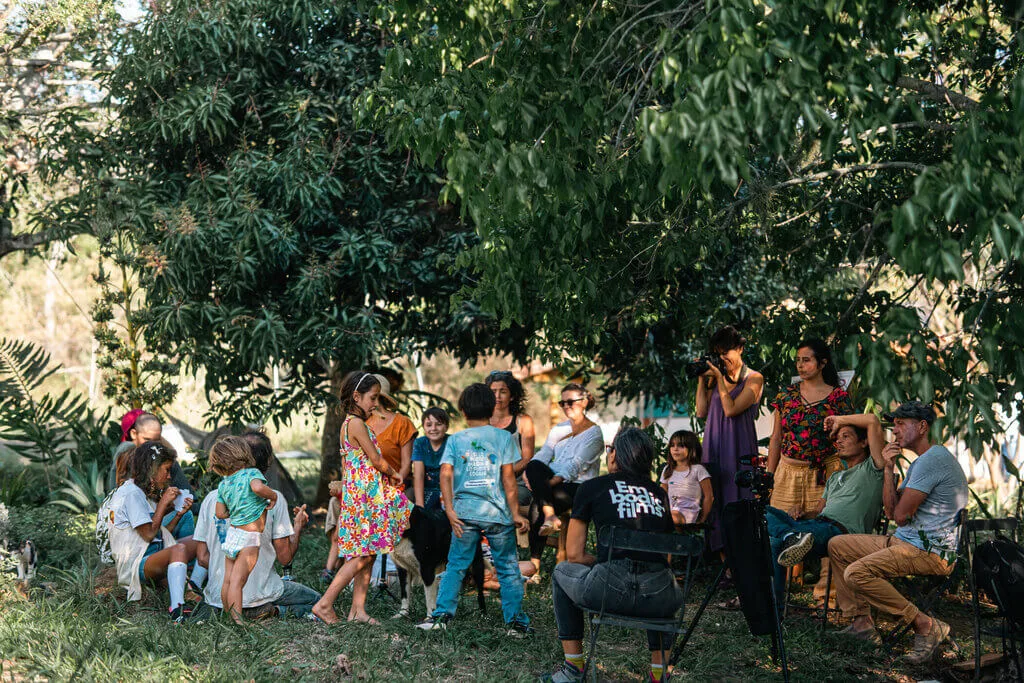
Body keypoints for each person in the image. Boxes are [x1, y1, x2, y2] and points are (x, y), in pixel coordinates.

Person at [827, 401, 968, 664]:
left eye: (902, 424)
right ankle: (862, 625)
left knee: (856, 573)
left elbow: (900, 517)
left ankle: (925, 625)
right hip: (906, 541)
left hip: (929, 552)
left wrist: (896, 501)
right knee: (838, 544)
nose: (895, 431)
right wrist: (889, 469)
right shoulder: (920, 463)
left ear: (923, 427)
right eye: (894, 425)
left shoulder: (933, 460)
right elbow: (892, 512)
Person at [542, 427, 684, 683]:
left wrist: (605, 563)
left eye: (611, 448)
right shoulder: (659, 494)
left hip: (608, 591)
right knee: (663, 583)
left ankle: (573, 668)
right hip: (660, 596)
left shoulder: (593, 488)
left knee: (561, 570)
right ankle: (658, 674)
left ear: (616, 455)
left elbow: (573, 554)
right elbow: (667, 558)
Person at [416, 383, 531, 635]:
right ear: (492, 409)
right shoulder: (503, 437)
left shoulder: (456, 439)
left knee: (455, 565)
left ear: (462, 411)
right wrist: (515, 513)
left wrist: (449, 510)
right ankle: (515, 624)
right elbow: (509, 480)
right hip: (498, 515)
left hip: (463, 514)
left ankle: (441, 617)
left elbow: (445, 475)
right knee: (508, 568)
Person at [313, 371, 412, 625]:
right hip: (363, 499)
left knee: (368, 553)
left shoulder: (350, 424)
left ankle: (358, 610)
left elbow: (351, 464)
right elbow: (376, 460)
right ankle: (325, 603)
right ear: (356, 396)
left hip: (363, 495)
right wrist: (394, 474)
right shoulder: (355, 424)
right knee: (361, 555)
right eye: (372, 397)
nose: (374, 403)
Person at [193, 429, 319, 620]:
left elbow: (202, 558)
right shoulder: (272, 498)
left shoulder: (213, 496)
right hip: (260, 591)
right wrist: (298, 526)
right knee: (316, 601)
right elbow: (285, 559)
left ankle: (229, 613)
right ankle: (271, 611)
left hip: (217, 598)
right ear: (267, 463)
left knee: (231, 579)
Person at [765, 412, 885, 610]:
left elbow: (872, 420)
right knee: (763, 512)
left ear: (864, 443)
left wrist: (839, 420)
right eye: (837, 439)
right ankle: (774, 607)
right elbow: (818, 512)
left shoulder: (872, 469)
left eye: (846, 437)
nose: (839, 442)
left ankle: (774, 607)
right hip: (818, 526)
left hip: (841, 533)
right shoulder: (834, 478)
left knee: (777, 541)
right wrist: (800, 512)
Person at [107, 441, 198, 621]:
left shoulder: (142, 492)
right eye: (166, 470)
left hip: (152, 553)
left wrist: (177, 514)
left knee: (200, 540)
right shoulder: (131, 494)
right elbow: (149, 534)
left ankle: (192, 585)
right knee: (179, 550)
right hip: (136, 564)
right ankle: (177, 608)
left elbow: (159, 535)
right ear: (152, 469)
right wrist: (163, 504)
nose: (169, 475)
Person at [694, 326, 763, 553]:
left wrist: (719, 379)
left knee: (739, 496)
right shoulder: (716, 379)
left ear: (740, 349)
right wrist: (702, 379)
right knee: (716, 495)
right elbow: (701, 412)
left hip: (738, 445)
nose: (723, 358)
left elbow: (731, 409)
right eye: (718, 353)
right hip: (714, 444)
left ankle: (742, 559)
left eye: (726, 352)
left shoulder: (754, 378)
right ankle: (723, 560)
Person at [768, 338, 854, 515]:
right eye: (798, 360)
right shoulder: (786, 395)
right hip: (786, 475)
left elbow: (848, 438)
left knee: (820, 531)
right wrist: (769, 476)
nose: (800, 365)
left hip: (824, 476)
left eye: (806, 360)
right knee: (780, 529)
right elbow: (776, 437)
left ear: (822, 363)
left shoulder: (838, 397)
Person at [525, 384, 604, 571]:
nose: (566, 406)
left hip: (579, 486)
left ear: (584, 402)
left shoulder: (594, 434)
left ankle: (533, 566)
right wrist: (531, 474)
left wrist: (543, 485)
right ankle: (550, 515)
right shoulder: (559, 429)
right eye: (563, 402)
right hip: (552, 480)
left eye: (570, 402)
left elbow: (574, 467)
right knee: (534, 464)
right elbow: (544, 454)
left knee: (538, 503)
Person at [207, 436, 279, 623]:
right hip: (249, 538)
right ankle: (238, 622)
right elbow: (257, 488)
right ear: (243, 454)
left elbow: (220, 513)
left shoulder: (223, 485)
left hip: (233, 535)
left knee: (228, 580)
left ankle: (227, 616)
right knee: (238, 583)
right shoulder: (251, 474)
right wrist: (272, 497)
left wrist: (236, 507)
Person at [486, 370, 537, 505]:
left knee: (501, 502)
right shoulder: (481, 421)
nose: (497, 396)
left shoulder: (523, 421)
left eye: (503, 391)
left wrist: (502, 474)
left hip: (517, 484)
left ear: (512, 396)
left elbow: (527, 458)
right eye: (493, 391)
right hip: (484, 483)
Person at [367, 373, 417, 488]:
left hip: (397, 486)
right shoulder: (360, 424)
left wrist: (394, 485)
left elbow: (406, 465)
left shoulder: (402, 423)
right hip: (368, 489)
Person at [660, 430, 713, 526]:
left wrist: (702, 520)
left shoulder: (698, 469)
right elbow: (662, 494)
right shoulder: (668, 469)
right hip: (671, 510)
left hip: (688, 512)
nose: (675, 449)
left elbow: (709, 497)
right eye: (672, 445)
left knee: (671, 518)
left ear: (691, 449)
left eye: (680, 446)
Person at [411, 406, 449, 510]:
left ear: (446, 427)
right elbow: (419, 475)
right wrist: (419, 504)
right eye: (429, 425)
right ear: (423, 427)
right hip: (427, 489)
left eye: (439, 424)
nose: (433, 428)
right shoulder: (420, 443)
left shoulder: (451, 442)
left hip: (449, 490)